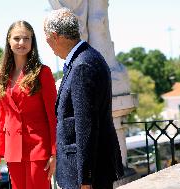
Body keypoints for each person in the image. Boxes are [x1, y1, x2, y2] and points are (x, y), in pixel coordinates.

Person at [44, 8, 124, 189]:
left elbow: (86, 125)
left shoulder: (82, 65)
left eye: (46, 37)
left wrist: (85, 179)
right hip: (86, 172)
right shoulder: (87, 57)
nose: (46, 42)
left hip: (85, 176)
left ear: (55, 35)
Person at [0, 20, 57, 189]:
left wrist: (54, 152)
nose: (22, 43)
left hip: (38, 148)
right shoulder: (2, 74)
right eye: (17, 38)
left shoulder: (43, 73)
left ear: (32, 41)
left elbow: (53, 116)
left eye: (26, 38)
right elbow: (2, 117)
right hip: (13, 151)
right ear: (9, 40)